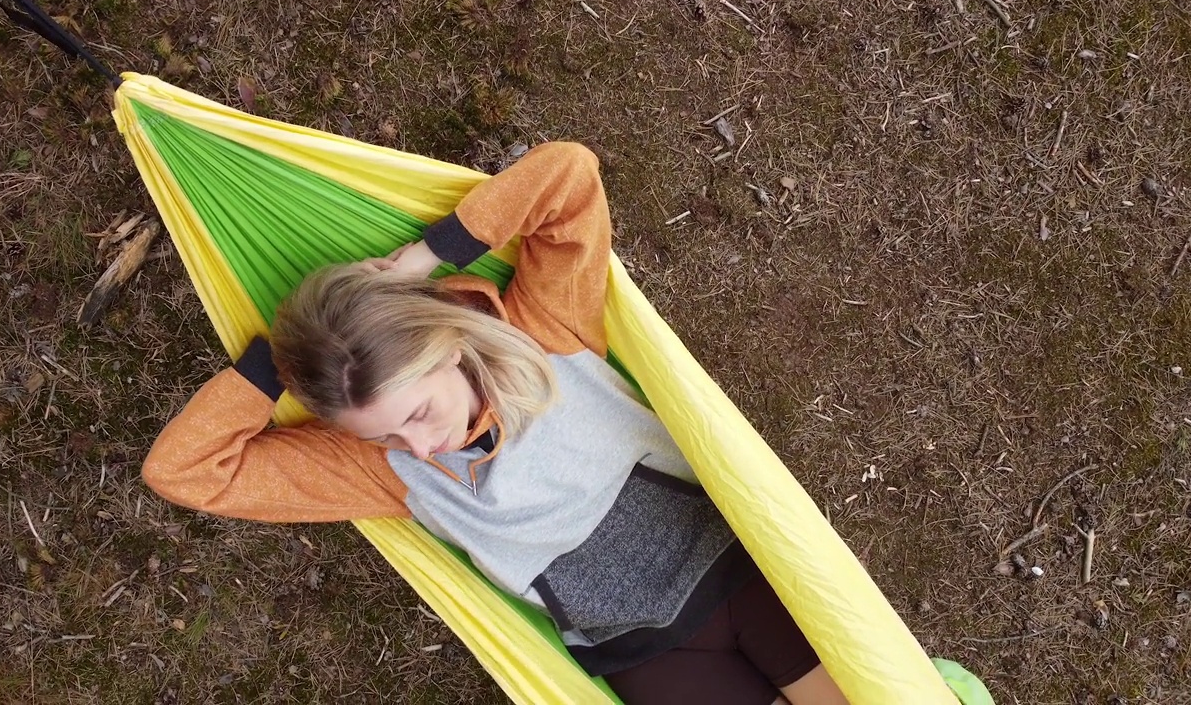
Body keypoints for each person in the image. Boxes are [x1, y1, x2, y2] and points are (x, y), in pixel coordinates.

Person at [143, 142, 850, 705]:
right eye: (383, 434)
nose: (418, 446)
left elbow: (567, 177)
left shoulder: (545, 331)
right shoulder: (376, 470)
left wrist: (421, 259)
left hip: (731, 569)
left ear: (448, 348)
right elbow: (184, 473)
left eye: (417, 412)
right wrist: (277, 364)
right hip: (646, 649)